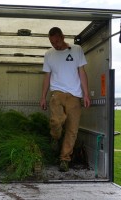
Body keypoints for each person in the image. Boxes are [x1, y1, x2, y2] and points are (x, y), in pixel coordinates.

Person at [40, 27, 90, 172]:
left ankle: (64, 159)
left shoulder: (77, 49)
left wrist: (86, 94)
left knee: (72, 130)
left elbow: (82, 72)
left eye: (56, 41)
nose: (55, 45)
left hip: (74, 96)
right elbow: (47, 77)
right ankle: (55, 137)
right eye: (52, 43)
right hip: (57, 93)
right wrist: (43, 97)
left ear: (62, 36)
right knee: (56, 120)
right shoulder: (49, 54)